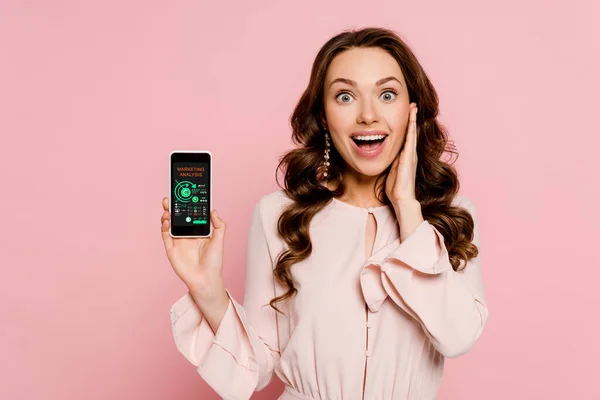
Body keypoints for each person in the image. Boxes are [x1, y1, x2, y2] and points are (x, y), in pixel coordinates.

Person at [160, 26, 488, 400]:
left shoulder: (452, 216)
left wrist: (408, 210)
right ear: (324, 116)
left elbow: (458, 336)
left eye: (387, 94)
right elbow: (256, 368)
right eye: (346, 96)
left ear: (412, 110)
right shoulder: (279, 216)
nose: (368, 115)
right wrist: (206, 289)